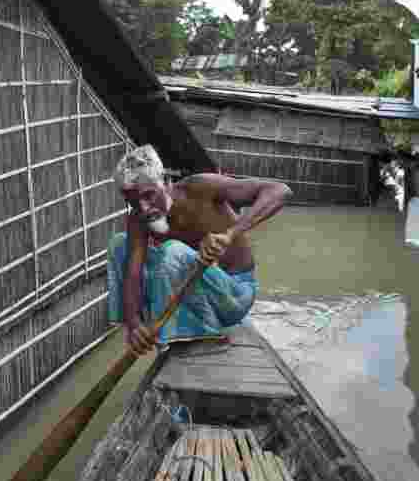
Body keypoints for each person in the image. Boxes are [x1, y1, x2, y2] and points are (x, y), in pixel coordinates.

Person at [107, 144, 292, 356]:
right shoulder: (138, 219)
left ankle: (206, 336)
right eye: (133, 202)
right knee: (119, 245)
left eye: (148, 196)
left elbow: (280, 191)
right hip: (192, 291)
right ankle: (150, 330)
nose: (144, 208)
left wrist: (230, 234)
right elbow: (133, 271)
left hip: (234, 294)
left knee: (173, 251)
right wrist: (134, 323)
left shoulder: (201, 187)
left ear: (165, 181)